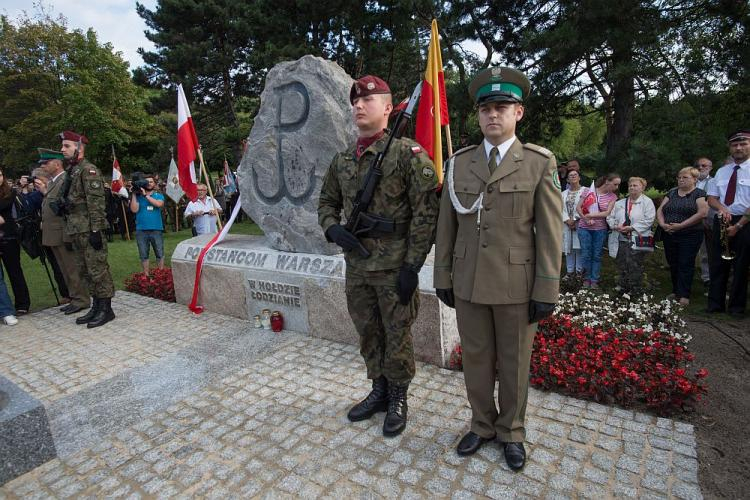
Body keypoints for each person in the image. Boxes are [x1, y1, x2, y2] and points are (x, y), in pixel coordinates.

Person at [433, 67, 562, 470]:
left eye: (502, 107)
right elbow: (447, 226)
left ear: (518, 113)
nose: (493, 115)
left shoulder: (538, 163)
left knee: (514, 361)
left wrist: (546, 289)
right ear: (478, 115)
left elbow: (550, 232)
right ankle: (481, 424)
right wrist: (442, 276)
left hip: (516, 285)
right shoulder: (461, 162)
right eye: (486, 108)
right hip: (469, 281)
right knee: (475, 359)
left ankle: (511, 431)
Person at [318, 75, 439, 437]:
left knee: (397, 333)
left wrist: (412, 266)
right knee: (368, 333)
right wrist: (332, 228)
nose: (358, 106)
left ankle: (399, 397)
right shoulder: (342, 160)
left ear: (387, 109)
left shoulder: (407, 155)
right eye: (355, 101)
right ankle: (379, 390)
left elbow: (426, 213)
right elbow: (327, 202)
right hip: (357, 267)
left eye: (367, 101)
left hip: (393, 267)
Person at [58, 130, 116, 328]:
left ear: (79, 148)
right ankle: (96, 306)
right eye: (63, 146)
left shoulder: (88, 170)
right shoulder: (72, 171)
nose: (62, 149)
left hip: (89, 229)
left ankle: (106, 309)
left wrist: (96, 231)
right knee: (85, 270)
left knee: (97, 269)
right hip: (76, 228)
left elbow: (96, 203)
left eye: (67, 146)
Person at [34, 149, 90, 314]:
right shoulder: (53, 182)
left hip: (64, 232)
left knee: (72, 269)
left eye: (46, 163)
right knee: (64, 269)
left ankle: (82, 299)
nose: (43, 166)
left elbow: (68, 208)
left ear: (57, 164)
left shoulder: (65, 180)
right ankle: (74, 298)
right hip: (54, 234)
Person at [706, 129, 750, 316]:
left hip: (745, 221)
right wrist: (722, 209)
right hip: (722, 219)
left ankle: (736, 308)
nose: (738, 148)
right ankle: (715, 306)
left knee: (741, 266)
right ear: (730, 148)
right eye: (735, 145)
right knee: (717, 263)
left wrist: (739, 225)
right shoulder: (722, 171)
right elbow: (711, 198)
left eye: (743, 144)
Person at [656, 167, 709, 305]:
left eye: (685, 177)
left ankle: (684, 294)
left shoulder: (699, 194)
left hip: (690, 234)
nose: (681, 180)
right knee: (673, 262)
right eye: (679, 177)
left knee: (685, 263)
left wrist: (681, 225)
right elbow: (661, 209)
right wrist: (662, 224)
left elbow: (702, 213)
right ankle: (676, 291)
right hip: (670, 233)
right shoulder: (672, 193)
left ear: (695, 179)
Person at [607, 177, 656, 294]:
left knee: (635, 263)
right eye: (630, 186)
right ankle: (622, 285)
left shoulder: (647, 202)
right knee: (621, 261)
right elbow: (610, 217)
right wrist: (615, 226)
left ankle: (634, 287)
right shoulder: (620, 203)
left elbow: (649, 220)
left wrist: (632, 227)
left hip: (637, 238)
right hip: (621, 237)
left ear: (643, 187)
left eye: (635, 185)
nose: (632, 188)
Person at [576, 173, 621, 288]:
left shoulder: (612, 197)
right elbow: (578, 207)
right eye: (615, 184)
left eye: (618, 185)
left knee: (597, 255)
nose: (616, 187)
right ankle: (586, 278)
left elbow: (607, 213)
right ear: (607, 182)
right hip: (584, 228)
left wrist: (590, 215)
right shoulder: (588, 191)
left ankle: (594, 279)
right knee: (586, 254)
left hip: (600, 229)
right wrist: (586, 218)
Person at [0, 169, 32, 315]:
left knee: (14, 271)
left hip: (9, 236)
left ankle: (23, 303)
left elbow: (4, 207)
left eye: (0, 175)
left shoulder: (10, 192)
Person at [129, 174, 166, 274]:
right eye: (146, 182)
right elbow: (134, 209)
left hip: (156, 229)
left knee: (159, 252)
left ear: (154, 184)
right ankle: (146, 275)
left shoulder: (158, 195)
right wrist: (133, 194)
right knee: (143, 254)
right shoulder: (138, 196)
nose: (148, 184)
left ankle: (161, 274)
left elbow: (159, 204)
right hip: (141, 229)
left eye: (151, 182)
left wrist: (146, 195)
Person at [561, 166, 585, 274]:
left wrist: (575, 220)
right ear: (567, 180)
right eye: (571, 175)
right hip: (566, 224)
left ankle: (579, 272)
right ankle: (569, 272)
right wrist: (567, 220)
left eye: (575, 175)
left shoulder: (586, 191)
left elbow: (586, 207)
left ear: (579, 177)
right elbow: (560, 208)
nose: (573, 176)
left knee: (579, 248)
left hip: (580, 223)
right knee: (568, 248)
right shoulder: (563, 194)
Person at [694, 157, 714, 288]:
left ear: (710, 168)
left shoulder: (714, 182)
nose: (700, 168)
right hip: (690, 220)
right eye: (698, 166)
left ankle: (707, 277)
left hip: (708, 220)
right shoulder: (691, 182)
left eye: (704, 165)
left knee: (707, 250)